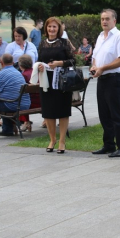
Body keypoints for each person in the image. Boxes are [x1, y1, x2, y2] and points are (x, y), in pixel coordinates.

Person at [90, 9, 120, 157]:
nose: (104, 22)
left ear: (115, 21)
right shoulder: (100, 36)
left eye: (107, 19)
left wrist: (102, 68)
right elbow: (95, 56)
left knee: (116, 114)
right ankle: (108, 145)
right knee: (104, 114)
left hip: (114, 79)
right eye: (102, 19)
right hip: (102, 79)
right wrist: (95, 66)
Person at [37, 17, 75, 153]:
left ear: (59, 28)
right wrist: (40, 67)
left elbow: (73, 60)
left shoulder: (64, 43)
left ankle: (62, 141)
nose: (52, 29)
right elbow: (39, 61)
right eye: (49, 27)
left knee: (63, 111)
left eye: (54, 27)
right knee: (48, 112)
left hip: (61, 80)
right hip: (46, 80)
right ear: (46, 28)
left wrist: (59, 63)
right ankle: (52, 139)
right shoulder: (42, 44)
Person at [18, 54, 41, 132]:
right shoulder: (37, 72)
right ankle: (26, 122)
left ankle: (26, 122)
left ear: (21, 65)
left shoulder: (23, 75)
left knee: (21, 101)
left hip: (31, 104)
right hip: (42, 101)